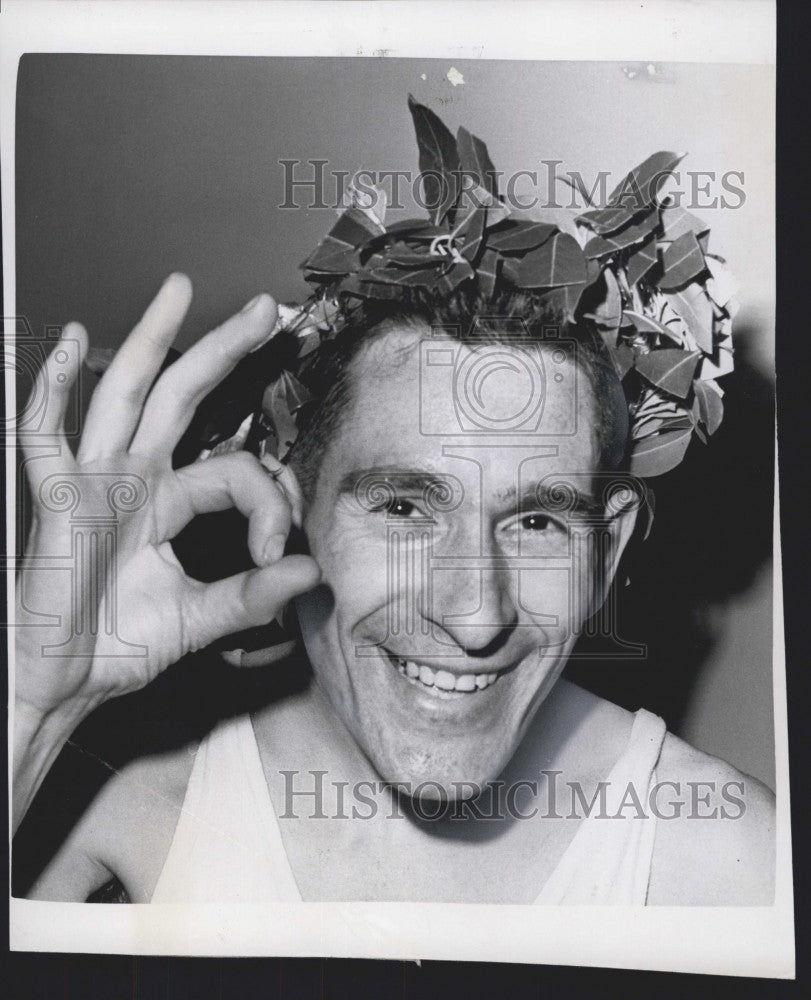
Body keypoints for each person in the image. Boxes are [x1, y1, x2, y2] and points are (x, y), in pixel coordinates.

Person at [13, 101, 774, 906]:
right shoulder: (115, 803)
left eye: (537, 521)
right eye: (404, 510)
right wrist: (29, 706)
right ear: (288, 506)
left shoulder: (728, 860)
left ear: (605, 553)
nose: (475, 617)